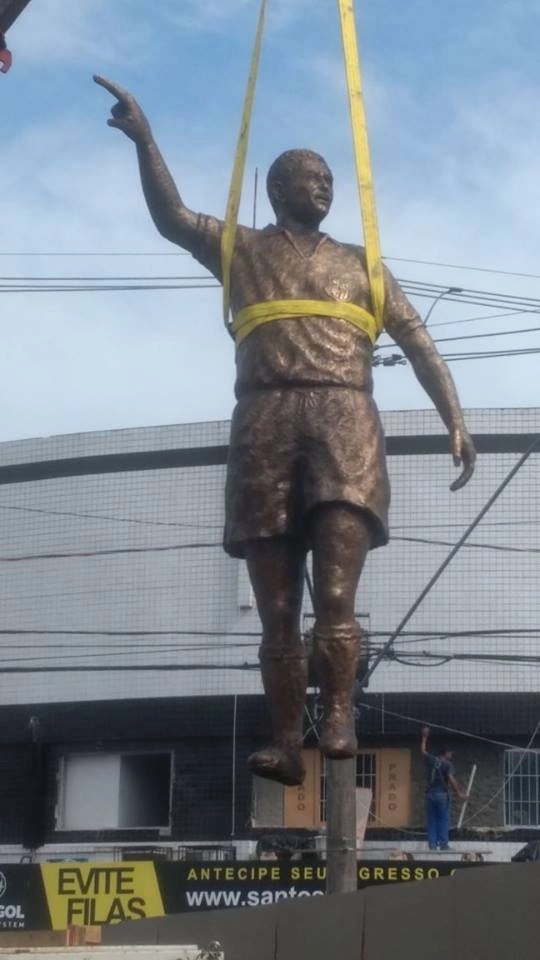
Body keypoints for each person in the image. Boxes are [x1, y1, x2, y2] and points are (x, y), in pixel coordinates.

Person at [94, 75, 477, 787]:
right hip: (265, 421)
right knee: (276, 607)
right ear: (276, 188)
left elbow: (418, 340)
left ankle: (336, 717)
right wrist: (145, 141)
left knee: (335, 592)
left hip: (344, 420)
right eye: (310, 177)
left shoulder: (362, 264)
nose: (324, 186)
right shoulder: (240, 248)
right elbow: (172, 216)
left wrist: (453, 415)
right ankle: (283, 742)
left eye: (331, 178)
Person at [421, 726, 468, 851]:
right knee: (443, 819)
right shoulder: (448, 764)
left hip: (429, 795)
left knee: (432, 820)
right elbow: (451, 779)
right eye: (450, 753)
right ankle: (443, 844)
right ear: (446, 753)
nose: (451, 755)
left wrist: (424, 736)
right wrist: (459, 793)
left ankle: (432, 844)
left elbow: (423, 751)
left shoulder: (432, 760)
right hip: (441, 795)